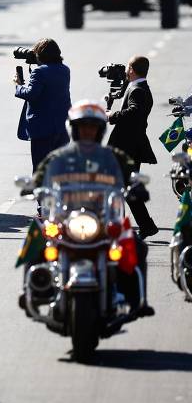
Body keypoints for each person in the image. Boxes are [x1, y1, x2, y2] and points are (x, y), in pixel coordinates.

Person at [30, 100, 153, 317]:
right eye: (83, 127)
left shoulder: (113, 156)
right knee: (36, 238)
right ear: (74, 130)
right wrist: (33, 186)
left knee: (137, 246)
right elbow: (40, 175)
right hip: (66, 218)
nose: (88, 131)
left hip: (103, 220)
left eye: (92, 127)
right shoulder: (60, 157)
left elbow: (131, 174)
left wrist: (137, 186)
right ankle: (36, 290)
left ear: (100, 131)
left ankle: (137, 300)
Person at [107, 56, 158, 239]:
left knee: (120, 188)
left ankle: (123, 227)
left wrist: (112, 115)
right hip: (130, 145)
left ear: (131, 70)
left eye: (128, 68)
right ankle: (145, 226)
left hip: (127, 147)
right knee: (125, 189)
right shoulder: (141, 87)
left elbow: (134, 112)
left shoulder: (137, 90)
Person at [13, 38, 71, 172]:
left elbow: (31, 94)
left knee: (40, 169)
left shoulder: (39, 72)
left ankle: (40, 192)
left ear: (40, 55)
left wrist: (18, 85)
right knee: (58, 169)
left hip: (43, 130)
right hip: (62, 129)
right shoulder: (65, 70)